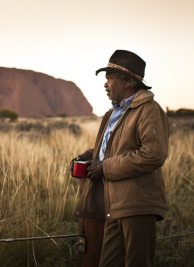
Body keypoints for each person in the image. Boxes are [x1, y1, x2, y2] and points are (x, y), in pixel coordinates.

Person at [71, 50, 169, 267]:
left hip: (138, 203)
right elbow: (106, 151)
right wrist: (84, 159)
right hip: (114, 204)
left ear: (127, 81)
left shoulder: (148, 110)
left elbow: (153, 155)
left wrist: (104, 168)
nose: (106, 85)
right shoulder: (113, 114)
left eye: (110, 79)